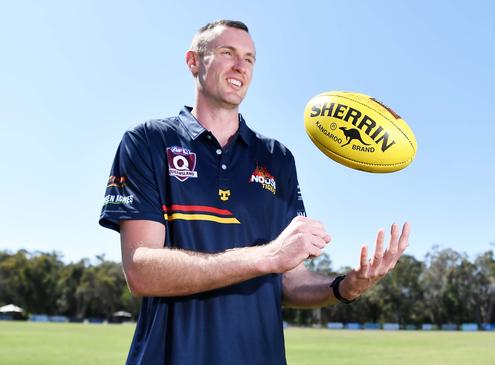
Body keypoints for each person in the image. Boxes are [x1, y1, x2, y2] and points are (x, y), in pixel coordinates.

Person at [100, 19, 410, 365]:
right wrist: (268, 256)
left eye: (249, 58)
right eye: (227, 53)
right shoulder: (148, 141)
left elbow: (289, 282)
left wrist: (345, 287)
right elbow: (141, 270)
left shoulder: (277, 159)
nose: (240, 66)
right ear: (193, 61)